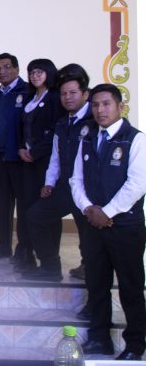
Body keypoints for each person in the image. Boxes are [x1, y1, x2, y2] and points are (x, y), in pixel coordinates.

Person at [70, 84, 146, 361]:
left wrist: (108, 212)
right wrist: (88, 209)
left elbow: (137, 184)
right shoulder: (88, 138)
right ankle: (99, 338)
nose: (100, 110)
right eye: (95, 105)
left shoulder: (135, 139)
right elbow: (76, 179)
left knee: (131, 286)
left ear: (120, 107)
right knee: (97, 284)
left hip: (125, 227)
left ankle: (135, 344)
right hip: (94, 224)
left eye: (106, 104)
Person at [24, 68, 91, 282]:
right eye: (63, 93)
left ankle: (89, 267)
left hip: (89, 190)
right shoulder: (62, 123)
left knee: (88, 231)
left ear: (85, 94)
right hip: (65, 186)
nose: (68, 97)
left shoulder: (94, 119)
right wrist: (49, 183)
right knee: (35, 216)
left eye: (73, 93)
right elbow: (55, 156)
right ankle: (50, 267)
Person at [13, 58, 62, 272]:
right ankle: (27, 252)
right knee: (27, 207)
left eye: (39, 72)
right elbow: (21, 128)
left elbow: (55, 132)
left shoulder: (55, 98)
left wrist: (35, 152)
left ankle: (50, 258)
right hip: (26, 162)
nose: (34, 76)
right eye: (32, 72)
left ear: (49, 73)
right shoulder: (29, 97)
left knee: (45, 209)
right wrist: (21, 149)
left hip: (45, 163)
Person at [0, 53, 27, 259]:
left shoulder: (27, 92)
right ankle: (3, 245)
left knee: (24, 205)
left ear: (17, 69)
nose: (2, 72)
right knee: (1, 204)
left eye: (7, 67)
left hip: (19, 159)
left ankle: (24, 249)